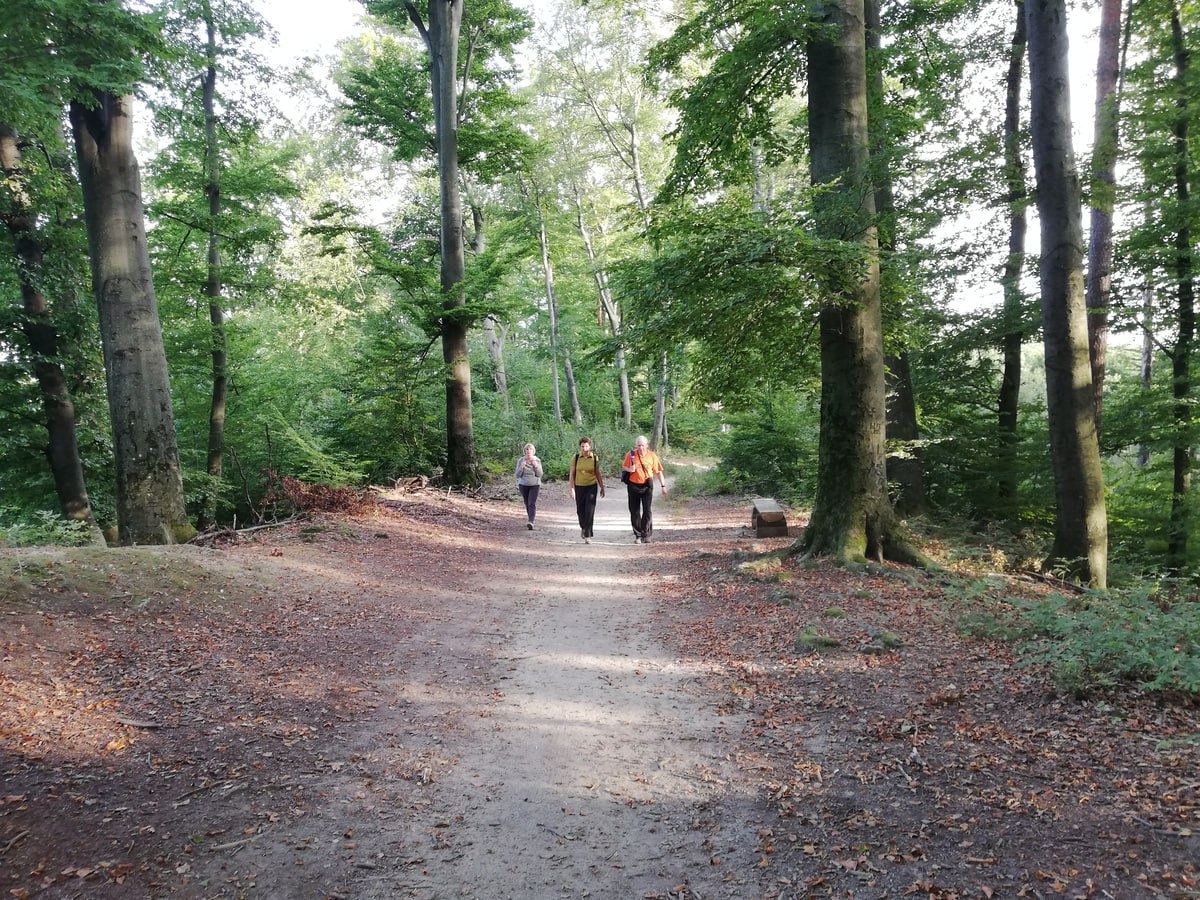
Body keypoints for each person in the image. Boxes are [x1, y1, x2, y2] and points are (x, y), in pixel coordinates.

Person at [622, 435, 667, 543]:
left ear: (646, 445)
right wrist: (630, 469)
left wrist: (663, 486)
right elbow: (624, 467)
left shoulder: (652, 456)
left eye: (642, 445)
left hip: (647, 484)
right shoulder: (631, 454)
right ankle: (637, 535)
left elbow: (658, 471)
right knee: (634, 511)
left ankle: (646, 534)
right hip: (633, 485)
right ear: (635, 445)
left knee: (647, 510)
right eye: (638, 445)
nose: (640, 447)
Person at [568, 437, 606, 543]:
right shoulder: (576, 458)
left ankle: (588, 535)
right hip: (579, 486)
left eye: (586, 446)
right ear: (580, 447)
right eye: (582, 446)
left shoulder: (594, 458)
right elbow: (572, 473)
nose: (584, 448)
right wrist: (571, 488)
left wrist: (602, 486)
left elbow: (597, 472)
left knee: (589, 510)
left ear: (590, 446)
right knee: (580, 510)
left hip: (591, 486)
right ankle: (583, 527)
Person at [515, 443, 543, 529]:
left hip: (534, 485)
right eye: (527, 449)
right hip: (523, 485)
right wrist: (521, 468)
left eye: (530, 449)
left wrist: (536, 466)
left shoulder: (537, 460)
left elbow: (540, 474)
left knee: (531, 503)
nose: (528, 451)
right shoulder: (520, 461)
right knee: (527, 503)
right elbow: (517, 475)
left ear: (533, 451)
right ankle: (530, 518)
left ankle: (531, 521)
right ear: (524, 451)